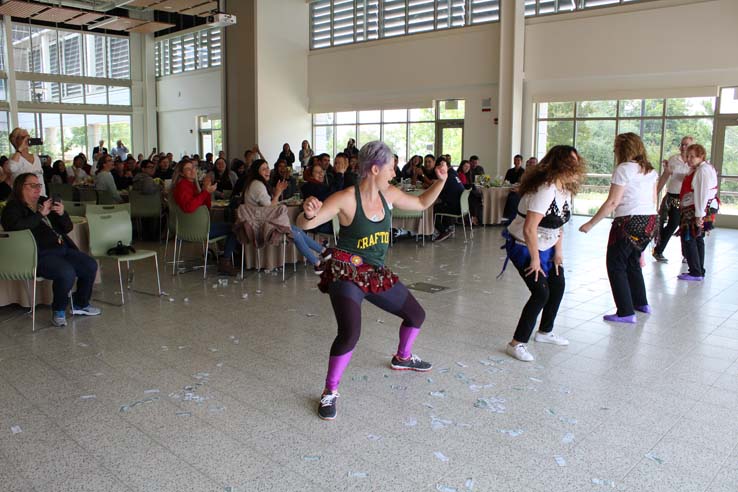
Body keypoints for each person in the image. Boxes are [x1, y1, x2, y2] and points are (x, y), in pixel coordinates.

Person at [296, 140, 448, 420]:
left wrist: (441, 181)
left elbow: (422, 202)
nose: (395, 172)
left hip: (375, 274)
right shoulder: (345, 199)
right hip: (346, 273)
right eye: (391, 167)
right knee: (350, 332)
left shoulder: (388, 194)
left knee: (416, 314)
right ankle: (329, 391)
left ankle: (402, 357)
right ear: (375, 168)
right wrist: (307, 212)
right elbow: (306, 223)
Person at [502, 146, 585, 362]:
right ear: (559, 165)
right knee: (541, 293)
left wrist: (558, 252)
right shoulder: (545, 190)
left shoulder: (564, 189)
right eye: (571, 163)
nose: (576, 168)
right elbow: (530, 228)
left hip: (547, 246)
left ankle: (545, 332)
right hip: (523, 246)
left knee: (558, 285)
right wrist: (536, 260)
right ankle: (516, 343)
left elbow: (558, 224)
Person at [1, 173, 100, 327]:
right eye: (32, 185)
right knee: (66, 272)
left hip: (61, 248)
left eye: (38, 185)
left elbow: (67, 228)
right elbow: (14, 227)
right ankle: (59, 310)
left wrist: (61, 214)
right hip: (38, 255)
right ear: (20, 187)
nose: (37, 189)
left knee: (89, 265)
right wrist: (40, 214)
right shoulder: (12, 208)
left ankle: (81, 304)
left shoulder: (43, 202)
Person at [579, 133, 658, 324]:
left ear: (623, 149)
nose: (614, 150)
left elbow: (613, 201)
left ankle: (625, 312)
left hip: (628, 221)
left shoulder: (623, 169)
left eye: (616, 147)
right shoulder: (650, 171)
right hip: (650, 221)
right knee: (633, 261)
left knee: (616, 265)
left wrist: (590, 223)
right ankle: (641, 303)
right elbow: (654, 200)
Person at [243, 159, 328, 272]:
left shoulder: (257, 183)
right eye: (263, 169)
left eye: (267, 168)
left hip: (263, 221)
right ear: (256, 171)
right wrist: (278, 192)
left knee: (297, 230)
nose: (268, 170)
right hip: (259, 226)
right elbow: (270, 208)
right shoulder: (257, 185)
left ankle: (323, 251)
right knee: (296, 234)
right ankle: (317, 262)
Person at [172, 158, 239, 276]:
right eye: (188, 169)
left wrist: (205, 190)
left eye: (193, 167)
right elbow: (189, 207)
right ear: (182, 173)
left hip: (190, 227)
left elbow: (205, 206)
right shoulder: (183, 186)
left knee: (229, 225)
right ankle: (225, 261)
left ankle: (224, 256)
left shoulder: (191, 185)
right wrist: (205, 192)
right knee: (236, 227)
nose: (193, 171)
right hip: (196, 229)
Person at [678, 143, 718, 281]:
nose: (689, 159)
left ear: (701, 156)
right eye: (688, 156)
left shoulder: (702, 171)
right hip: (696, 208)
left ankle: (696, 271)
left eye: (693, 157)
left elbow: (702, 194)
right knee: (697, 239)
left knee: (690, 239)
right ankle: (698, 270)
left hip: (696, 209)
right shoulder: (701, 168)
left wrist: (699, 215)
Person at [653, 136, 693, 263]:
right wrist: (654, 195)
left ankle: (686, 255)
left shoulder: (694, 163)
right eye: (682, 144)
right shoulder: (673, 159)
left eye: (686, 145)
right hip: (673, 197)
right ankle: (658, 250)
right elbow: (664, 177)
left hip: (688, 199)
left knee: (686, 226)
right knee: (673, 224)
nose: (683, 147)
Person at [433, 157, 464, 243]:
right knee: (440, 205)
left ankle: (443, 231)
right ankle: (446, 228)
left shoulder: (448, 176)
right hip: (462, 207)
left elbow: (439, 192)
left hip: (455, 208)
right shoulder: (453, 173)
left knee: (433, 209)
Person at [8, 128, 46, 197]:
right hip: (23, 199)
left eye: (28, 136)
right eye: (23, 137)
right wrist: (20, 148)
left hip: (40, 196)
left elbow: (40, 179)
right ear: (16, 141)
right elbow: (11, 168)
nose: (27, 138)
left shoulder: (35, 157)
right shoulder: (14, 158)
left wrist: (43, 195)